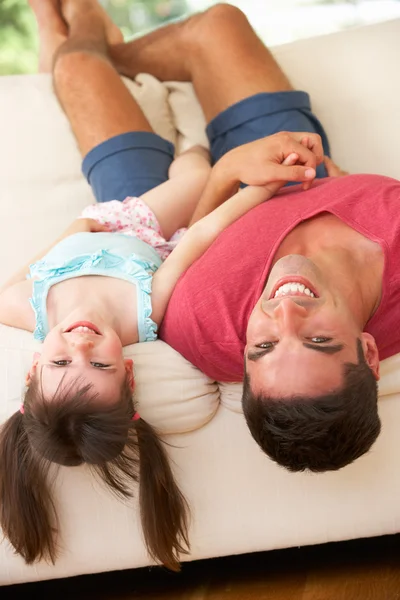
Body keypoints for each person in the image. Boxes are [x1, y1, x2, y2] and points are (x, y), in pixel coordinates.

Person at [0, 0, 322, 570]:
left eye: (60, 365)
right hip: (161, 220)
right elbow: (195, 237)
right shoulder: (145, 312)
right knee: (195, 148)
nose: (79, 346)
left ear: (34, 368)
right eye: (98, 366)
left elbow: (17, 287)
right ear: (126, 369)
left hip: (111, 213)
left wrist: (80, 228)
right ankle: (91, 41)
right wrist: (240, 182)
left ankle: (74, 30)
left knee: (76, 66)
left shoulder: (35, 312)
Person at [99, 3, 399, 473]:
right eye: (318, 339)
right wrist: (339, 183)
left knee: (80, 69)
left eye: (264, 346)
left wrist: (226, 172)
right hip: (293, 175)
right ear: (369, 351)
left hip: (165, 218)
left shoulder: (206, 326)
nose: (284, 311)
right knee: (220, 22)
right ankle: (112, 45)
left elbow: (177, 249)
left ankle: (74, 32)